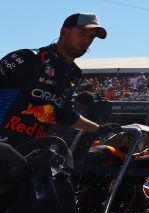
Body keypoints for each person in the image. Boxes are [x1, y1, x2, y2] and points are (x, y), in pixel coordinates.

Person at [0, 13, 107, 147]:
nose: (86, 40)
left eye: (90, 37)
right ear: (64, 32)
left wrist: (98, 129)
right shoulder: (27, 59)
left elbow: (65, 115)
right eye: (81, 33)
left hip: (31, 151)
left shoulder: (73, 74)